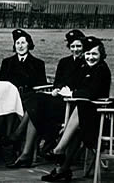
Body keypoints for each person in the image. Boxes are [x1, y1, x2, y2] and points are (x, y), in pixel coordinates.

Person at [7, 29, 85, 168]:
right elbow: (58, 81)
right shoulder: (64, 62)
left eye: (78, 46)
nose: (75, 49)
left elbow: (87, 87)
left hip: (73, 107)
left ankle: (19, 138)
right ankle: (25, 153)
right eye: (72, 46)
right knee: (36, 104)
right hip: (60, 100)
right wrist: (57, 88)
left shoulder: (87, 63)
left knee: (36, 105)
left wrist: (71, 92)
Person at [41, 36, 113, 182]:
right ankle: (63, 169)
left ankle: (58, 148)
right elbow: (77, 86)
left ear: (101, 55)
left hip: (98, 116)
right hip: (85, 117)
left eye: (94, 54)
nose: (90, 57)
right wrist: (70, 91)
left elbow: (91, 93)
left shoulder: (102, 70)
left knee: (82, 107)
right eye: (87, 54)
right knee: (77, 128)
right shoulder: (85, 68)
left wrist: (73, 93)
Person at [0, 29, 47, 148]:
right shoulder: (7, 62)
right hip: (10, 97)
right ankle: (8, 139)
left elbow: (42, 84)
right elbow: (1, 83)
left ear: (29, 44)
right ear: (14, 45)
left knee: (28, 106)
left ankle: (15, 136)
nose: (20, 46)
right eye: (18, 43)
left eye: (23, 43)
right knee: (9, 107)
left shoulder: (37, 63)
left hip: (28, 97)